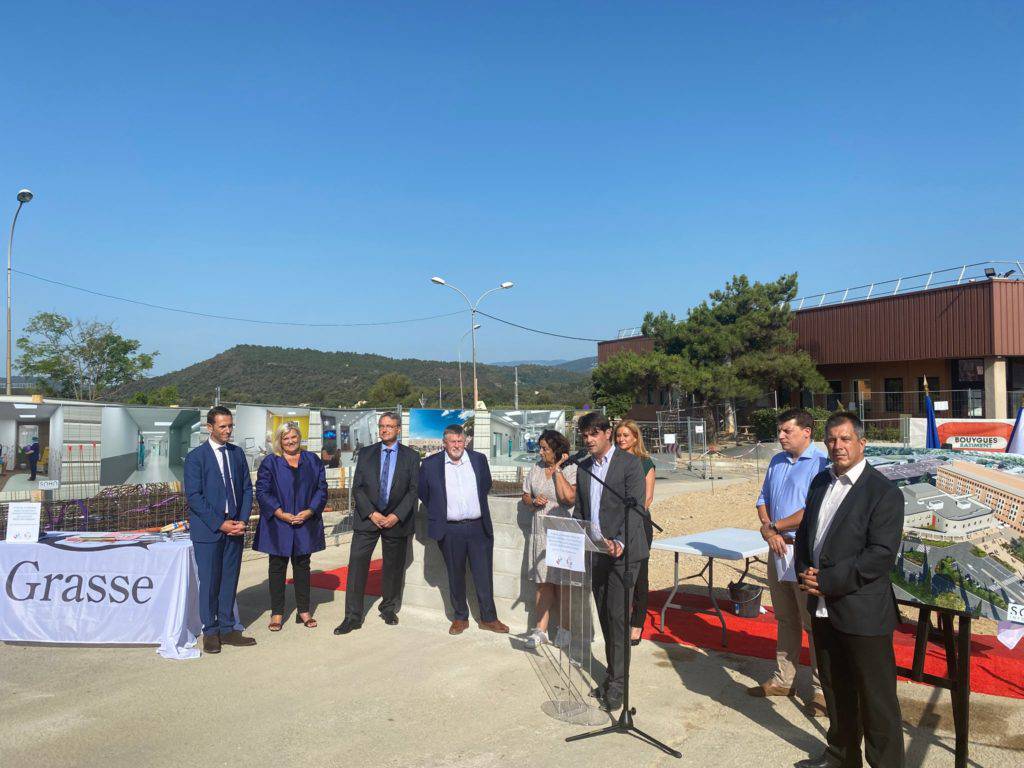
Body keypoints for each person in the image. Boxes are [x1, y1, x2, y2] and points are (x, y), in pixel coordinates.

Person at [794, 412, 905, 768]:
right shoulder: (819, 483)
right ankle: (842, 757)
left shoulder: (883, 492)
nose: (838, 446)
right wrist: (805, 573)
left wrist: (828, 581)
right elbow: (806, 538)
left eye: (845, 439)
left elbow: (880, 556)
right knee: (835, 690)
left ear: (861, 443)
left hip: (862, 611)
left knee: (876, 700)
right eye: (832, 440)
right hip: (823, 610)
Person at [747, 408, 828, 716]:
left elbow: (813, 510)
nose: (780, 436)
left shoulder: (821, 464)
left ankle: (821, 689)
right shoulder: (777, 461)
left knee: (813, 623)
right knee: (785, 617)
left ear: (806, 432)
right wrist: (770, 530)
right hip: (777, 548)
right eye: (780, 430)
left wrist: (775, 527)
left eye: (787, 431)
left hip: (803, 552)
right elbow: (762, 499)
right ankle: (784, 679)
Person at [575, 411, 648, 712]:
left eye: (594, 433)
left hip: (624, 553)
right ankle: (612, 674)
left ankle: (618, 683)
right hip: (596, 551)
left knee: (618, 617)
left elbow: (635, 509)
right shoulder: (583, 467)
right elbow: (582, 508)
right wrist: (578, 538)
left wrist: (617, 541)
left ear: (607, 433)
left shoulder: (631, 464)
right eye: (585, 435)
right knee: (605, 616)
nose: (589, 439)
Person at [418, 424, 509, 636]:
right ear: (444, 443)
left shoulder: (478, 460)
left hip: (478, 528)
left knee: (483, 574)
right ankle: (460, 617)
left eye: (460, 441)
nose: (457, 445)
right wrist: (442, 510)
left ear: (465, 441)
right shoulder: (430, 464)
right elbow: (424, 492)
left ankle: (489, 618)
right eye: (452, 442)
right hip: (450, 530)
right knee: (455, 575)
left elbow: (485, 485)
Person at [336, 412, 420, 635]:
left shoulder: (411, 456)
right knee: (356, 566)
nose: (384, 430)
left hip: (396, 521)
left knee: (392, 568)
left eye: (389, 426)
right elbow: (358, 487)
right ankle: (352, 616)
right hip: (368, 519)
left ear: (398, 429)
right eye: (382, 426)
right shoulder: (366, 453)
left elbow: (413, 491)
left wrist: (396, 515)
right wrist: (372, 513)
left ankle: (389, 608)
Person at [184, 406, 256, 654]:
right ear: (210, 427)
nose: (228, 431)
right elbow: (194, 497)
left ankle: (228, 628)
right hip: (209, 531)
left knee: (229, 581)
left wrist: (242, 520)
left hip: (235, 527)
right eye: (223, 426)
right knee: (210, 583)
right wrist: (220, 523)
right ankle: (210, 631)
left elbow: (247, 488)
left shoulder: (237, 454)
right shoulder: (196, 458)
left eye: (230, 426)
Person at [254, 423, 328, 631]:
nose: (290, 441)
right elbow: (262, 491)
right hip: (278, 523)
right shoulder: (270, 462)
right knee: (277, 568)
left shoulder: (312, 460)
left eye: (294, 437)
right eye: (285, 438)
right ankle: (277, 612)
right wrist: (279, 513)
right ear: (279, 441)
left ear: (300, 437)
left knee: (302, 566)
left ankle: (304, 610)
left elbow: (321, 488)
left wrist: (311, 511)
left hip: (305, 522)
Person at [521, 429, 577, 647]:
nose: (541, 452)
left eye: (545, 448)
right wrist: (533, 500)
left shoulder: (571, 469)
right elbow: (525, 494)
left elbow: (569, 499)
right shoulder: (535, 468)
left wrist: (558, 470)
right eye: (540, 447)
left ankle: (565, 630)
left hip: (562, 531)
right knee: (542, 583)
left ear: (557, 450)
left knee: (563, 584)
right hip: (539, 531)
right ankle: (540, 629)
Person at [614, 419, 656, 646]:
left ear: (635, 438)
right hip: (614, 524)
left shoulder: (645, 463)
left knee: (639, 575)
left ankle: (637, 623)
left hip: (638, 523)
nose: (621, 439)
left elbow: (647, 499)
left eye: (626, 435)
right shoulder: (612, 462)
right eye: (618, 435)